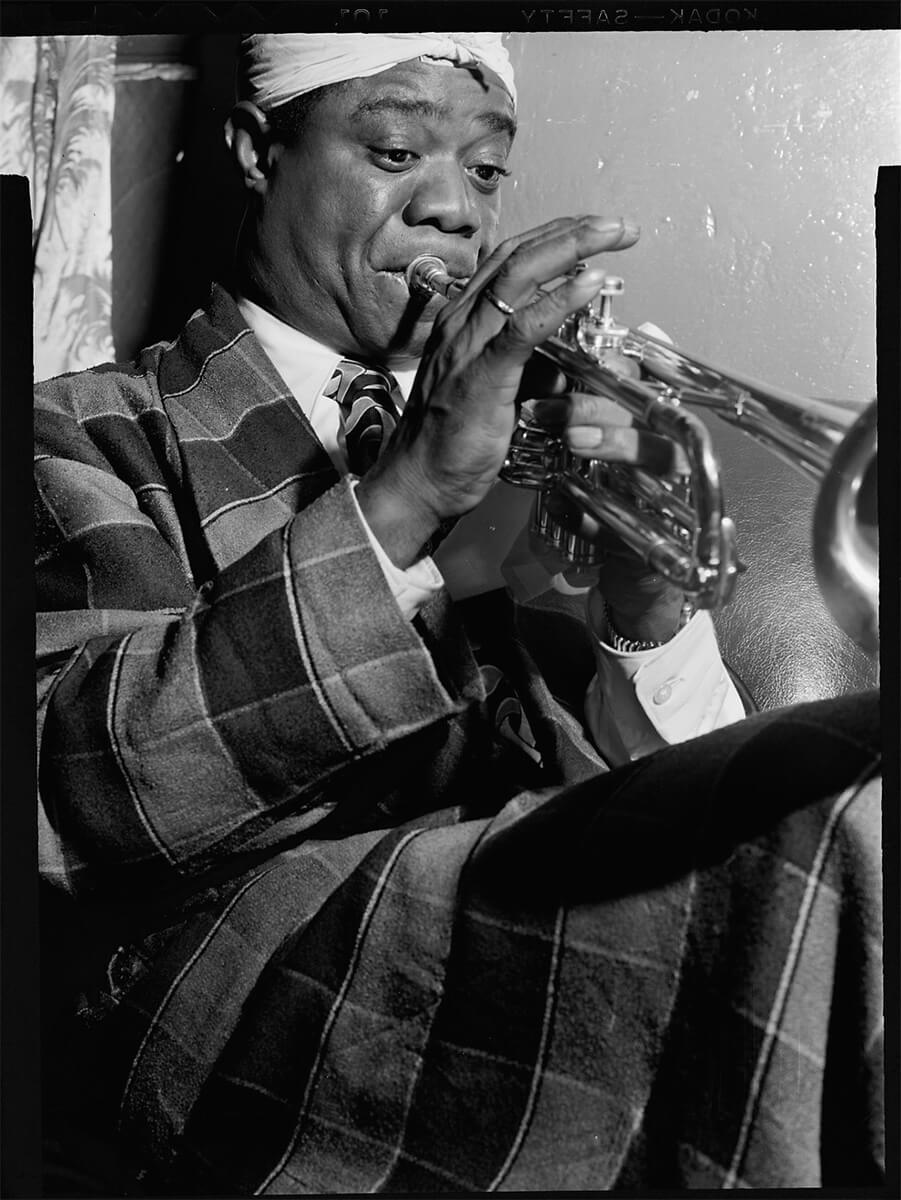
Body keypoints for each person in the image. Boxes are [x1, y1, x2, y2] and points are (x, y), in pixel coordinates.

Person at [35, 33, 882, 1195]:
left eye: (486, 172)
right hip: (238, 991)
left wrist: (648, 615)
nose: (452, 210)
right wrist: (408, 494)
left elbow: (655, 804)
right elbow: (70, 792)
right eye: (393, 149)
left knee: (858, 786)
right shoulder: (82, 431)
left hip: (513, 928)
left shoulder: (531, 440)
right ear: (253, 152)